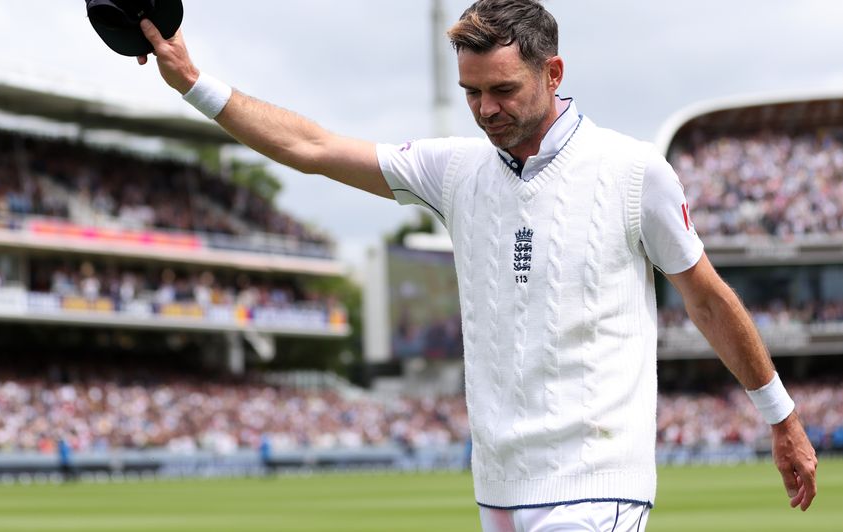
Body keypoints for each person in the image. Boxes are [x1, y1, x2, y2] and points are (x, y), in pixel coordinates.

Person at [133, 0, 817, 529]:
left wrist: (779, 416)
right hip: (496, 483)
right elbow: (311, 146)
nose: (485, 109)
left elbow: (703, 298)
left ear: (552, 73)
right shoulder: (449, 170)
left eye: (503, 89)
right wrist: (194, 83)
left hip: (596, 478)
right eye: (471, 93)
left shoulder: (634, 171)